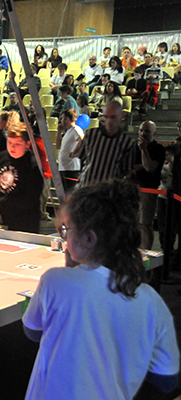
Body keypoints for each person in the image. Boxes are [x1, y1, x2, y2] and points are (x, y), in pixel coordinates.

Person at [22, 178, 179, 400]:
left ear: (89, 238)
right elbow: (166, 379)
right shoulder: (151, 300)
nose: (65, 238)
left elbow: (32, 330)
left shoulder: (55, 281)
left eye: (67, 230)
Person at [0, 122, 43, 233]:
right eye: (10, 142)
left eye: (18, 144)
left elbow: (29, 200)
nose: (12, 147)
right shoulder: (1, 157)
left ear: (27, 144)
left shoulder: (34, 165)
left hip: (23, 225)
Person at [73, 101, 135, 186]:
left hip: (107, 192)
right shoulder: (91, 134)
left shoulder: (127, 143)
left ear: (122, 116)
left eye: (113, 117)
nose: (109, 121)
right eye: (106, 117)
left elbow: (126, 171)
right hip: (87, 186)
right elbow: (81, 156)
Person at [129, 121, 166, 249]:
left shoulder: (159, 149)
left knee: (145, 224)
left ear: (154, 133)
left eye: (147, 131)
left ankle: (147, 252)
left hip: (149, 190)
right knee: (131, 222)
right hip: (133, 189)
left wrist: (144, 150)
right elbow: (129, 167)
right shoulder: (133, 147)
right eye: (141, 130)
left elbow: (149, 167)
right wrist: (141, 166)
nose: (143, 134)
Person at [56, 109, 84, 192]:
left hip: (71, 168)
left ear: (67, 119)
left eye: (62, 118)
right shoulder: (68, 132)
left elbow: (82, 139)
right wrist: (59, 132)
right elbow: (58, 146)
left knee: (69, 193)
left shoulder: (76, 129)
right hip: (64, 168)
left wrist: (75, 152)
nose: (61, 120)